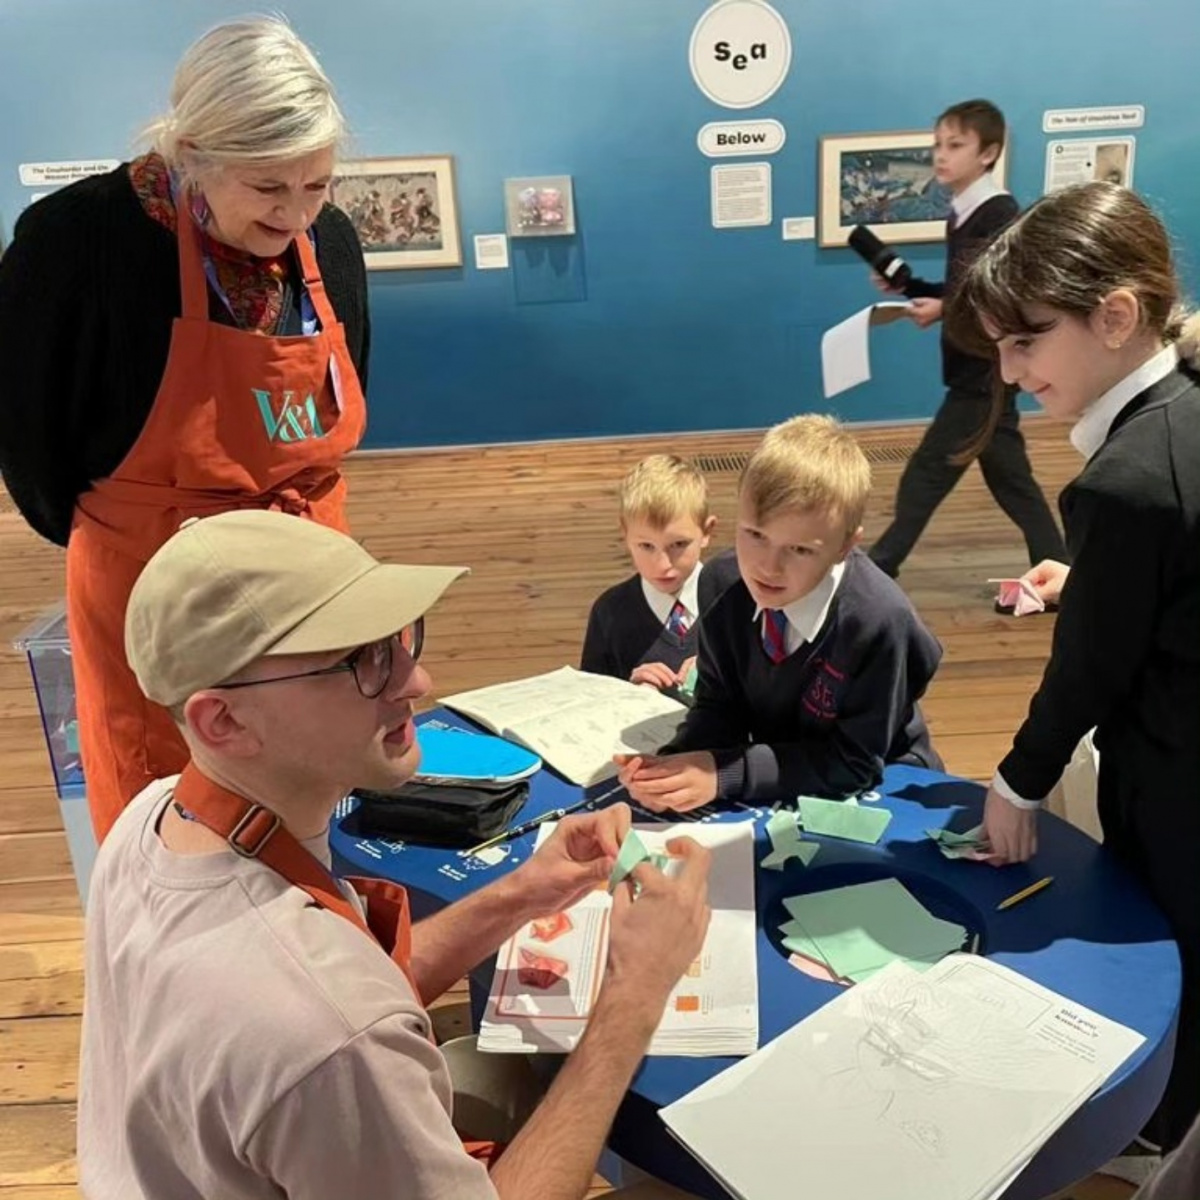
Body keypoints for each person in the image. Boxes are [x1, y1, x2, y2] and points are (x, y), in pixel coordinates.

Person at [79, 508, 711, 1200]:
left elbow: (358, 988)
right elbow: (337, 1020)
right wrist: (634, 994)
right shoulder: (325, 1032)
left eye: (398, 642)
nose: (418, 681)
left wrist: (528, 889)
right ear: (223, 719)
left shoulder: (153, 819)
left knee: (497, 1070)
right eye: (362, 661)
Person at [0, 17, 371, 841]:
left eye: (317, 185)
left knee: (313, 805)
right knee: (173, 824)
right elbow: (28, 440)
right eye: (269, 188)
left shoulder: (332, 243)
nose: (297, 216)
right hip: (157, 589)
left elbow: (348, 402)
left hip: (311, 580)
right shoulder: (75, 242)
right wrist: (128, 530)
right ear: (194, 152)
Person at [947, 182, 1200, 1160]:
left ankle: (1158, 1132)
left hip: (1177, 779)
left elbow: (1089, 671)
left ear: (1116, 316)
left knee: (1171, 947)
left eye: (1027, 341)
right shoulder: (1181, 414)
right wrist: (1092, 581)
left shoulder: (1125, 483)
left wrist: (1018, 783)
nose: (1011, 373)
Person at [617, 415, 943, 811]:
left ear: (845, 546)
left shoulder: (879, 621)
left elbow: (855, 763)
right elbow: (720, 706)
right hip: (777, 778)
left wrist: (724, 773)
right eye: (755, 535)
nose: (767, 568)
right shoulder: (722, 586)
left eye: (800, 549)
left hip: (888, 785)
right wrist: (676, 764)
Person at [867, 99, 1066, 588]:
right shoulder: (965, 210)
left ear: (988, 153)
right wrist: (911, 287)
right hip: (978, 370)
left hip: (983, 370)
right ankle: (1059, 565)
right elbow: (962, 285)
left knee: (926, 473)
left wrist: (942, 308)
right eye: (937, 144)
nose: (941, 155)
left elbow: (992, 294)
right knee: (1011, 480)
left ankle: (878, 569)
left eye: (955, 145)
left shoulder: (997, 213)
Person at [580, 454, 717, 693]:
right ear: (625, 533)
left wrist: (721, 676)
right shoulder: (609, 613)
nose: (662, 564)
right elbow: (591, 700)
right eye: (646, 546)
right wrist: (630, 695)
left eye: (678, 544)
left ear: (706, 532)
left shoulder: (734, 602)